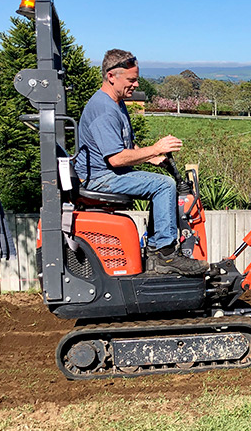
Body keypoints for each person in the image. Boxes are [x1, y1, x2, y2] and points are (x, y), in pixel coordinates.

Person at [74, 49, 208, 276]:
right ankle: (165, 254)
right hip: (99, 179)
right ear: (111, 77)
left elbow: (125, 146)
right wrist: (155, 148)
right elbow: (116, 158)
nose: (136, 84)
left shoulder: (116, 102)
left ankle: (159, 248)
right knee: (164, 185)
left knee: (163, 182)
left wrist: (153, 158)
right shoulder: (104, 109)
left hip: (104, 173)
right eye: (131, 80)